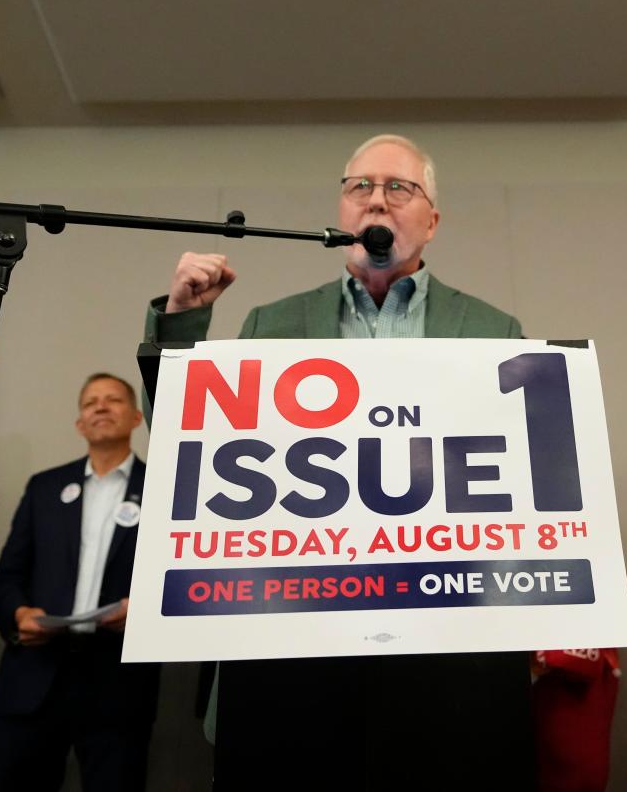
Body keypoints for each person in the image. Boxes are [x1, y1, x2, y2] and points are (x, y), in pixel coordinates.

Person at [144, 134, 531, 790]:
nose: (376, 199)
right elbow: (196, 453)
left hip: (443, 653)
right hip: (294, 654)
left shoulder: (495, 331)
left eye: (398, 188)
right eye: (361, 187)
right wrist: (182, 324)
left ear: (431, 221)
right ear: (341, 212)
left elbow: (522, 483)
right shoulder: (272, 324)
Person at [0, 373, 158, 792]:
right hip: (33, 679)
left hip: (117, 684)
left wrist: (144, 610)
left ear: (136, 417)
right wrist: (19, 614)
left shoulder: (164, 489)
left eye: (113, 400)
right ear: (80, 423)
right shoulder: (44, 487)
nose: (100, 407)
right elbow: (5, 578)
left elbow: (181, 581)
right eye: (90, 402)